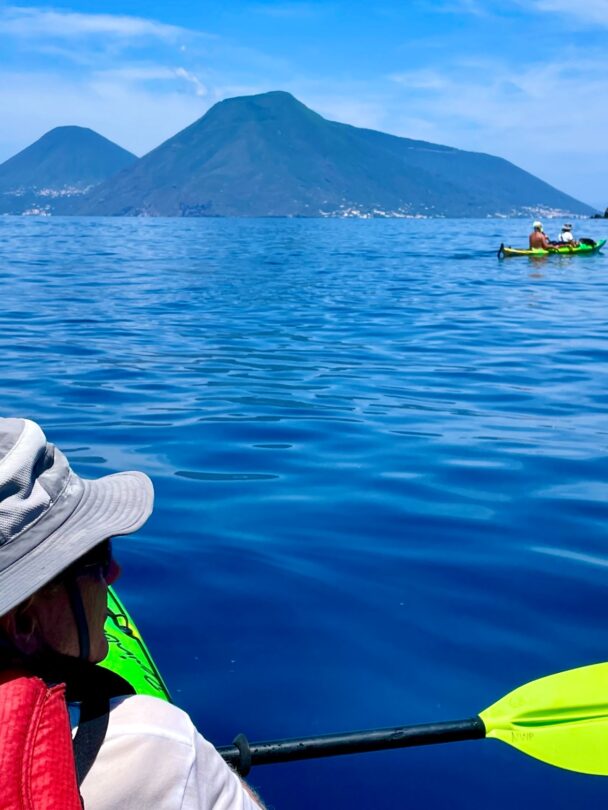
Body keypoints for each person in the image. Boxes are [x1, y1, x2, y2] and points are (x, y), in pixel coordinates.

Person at [0, 417, 265, 809]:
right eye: (97, 557)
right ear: (23, 621)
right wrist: (205, 771)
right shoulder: (152, 742)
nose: (115, 574)